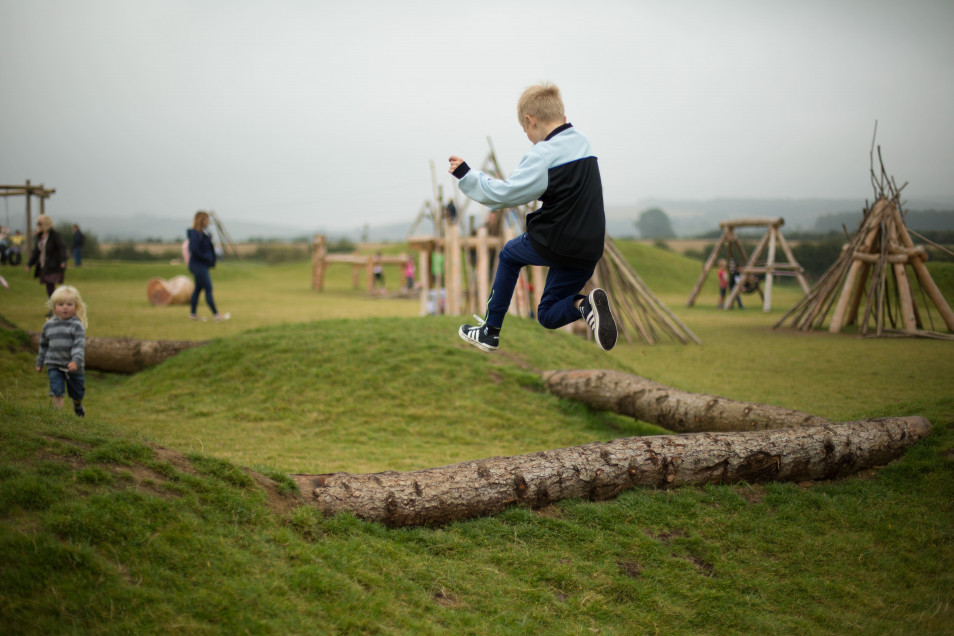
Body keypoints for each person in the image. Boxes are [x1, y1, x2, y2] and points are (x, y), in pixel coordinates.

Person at [449, 82, 617, 352]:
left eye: (524, 129)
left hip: (556, 239)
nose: (527, 134)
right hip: (589, 246)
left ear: (531, 121)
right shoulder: (584, 143)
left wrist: (467, 176)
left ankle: (490, 331)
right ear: (562, 116)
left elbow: (505, 194)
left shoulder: (543, 155)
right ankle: (584, 305)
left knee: (508, 255)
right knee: (548, 315)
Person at [35, 285, 87, 416]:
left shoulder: (77, 326)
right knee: (56, 391)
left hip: (74, 366)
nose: (65, 307)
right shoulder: (48, 326)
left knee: (77, 393)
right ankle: (57, 418)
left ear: (76, 306)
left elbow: (78, 345)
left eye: (69, 304)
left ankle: (78, 405)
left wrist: (75, 361)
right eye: (61, 304)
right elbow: (43, 345)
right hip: (54, 365)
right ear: (54, 307)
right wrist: (40, 362)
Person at [186, 211, 229, 322]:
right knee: (208, 288)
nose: (208, 222)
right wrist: (207, 257)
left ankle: (193, 314)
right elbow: (194, 250)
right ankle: (216, 314)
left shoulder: (204, 233)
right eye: (206, 219)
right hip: (198, 265)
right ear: (201, 220)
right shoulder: (195, 234)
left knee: (198, 289)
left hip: (202, 265)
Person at [27, 214, 67, 299]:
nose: (38, 226)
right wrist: (29, 264)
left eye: (40, 224)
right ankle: (54, 306)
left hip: (53, 264)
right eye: (37, 224)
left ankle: (54, 307)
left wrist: (63, 260)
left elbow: (62, 248)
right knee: (49, 287)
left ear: (46, 224)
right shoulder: (40, 237)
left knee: (50, 286)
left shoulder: (55, 236)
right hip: (44, 265)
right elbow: (36, 252)